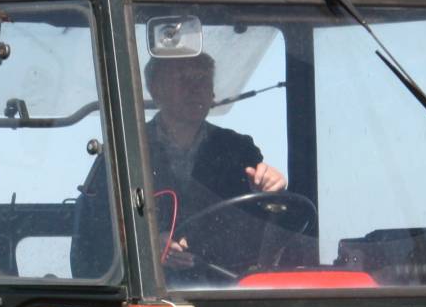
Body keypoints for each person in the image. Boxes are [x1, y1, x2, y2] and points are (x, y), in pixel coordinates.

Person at [71, 52, 287, 279]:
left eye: (203, 80)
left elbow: (260, 232)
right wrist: (146, 247)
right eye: (183, 79)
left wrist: (272, 190)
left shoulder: (239, 151)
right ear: (156, 91)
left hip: (224, 294)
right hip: (145, 295)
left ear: (212, 93)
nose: (195, 89)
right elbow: (92, 239)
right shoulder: (120, 152)